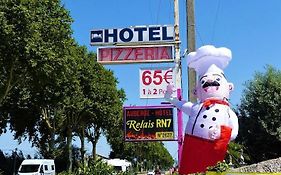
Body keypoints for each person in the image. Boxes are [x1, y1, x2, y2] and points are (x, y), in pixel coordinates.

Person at [165, 45, 239, 174]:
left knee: (211, 171)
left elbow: (234, 132)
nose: (210, 82)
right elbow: (178, 103)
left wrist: (221, 133)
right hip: (192, 148)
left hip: (213, 149)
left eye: (217, 80)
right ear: (196, 92)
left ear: (229, 87)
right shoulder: (195, 108)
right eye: (204, 81)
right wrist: (169, 97)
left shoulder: (228, 112)